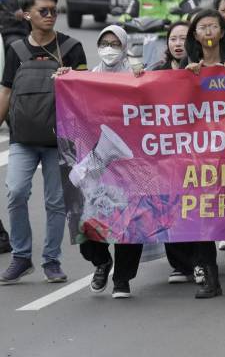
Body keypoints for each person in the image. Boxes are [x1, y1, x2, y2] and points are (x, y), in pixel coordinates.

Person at [0, 0, 87, 284]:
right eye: (43, 11)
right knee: (15, 193)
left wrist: (72, 80)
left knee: (55, 202)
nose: (50, 16)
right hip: (22, 138)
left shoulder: (72, 47)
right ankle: (22, 257)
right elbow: (6, 91)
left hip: (59, 140)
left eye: (54, 11)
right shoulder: (15, 50)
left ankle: (51, 261)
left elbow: (89, 92)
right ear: (27, 15)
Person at [181, 9, 225, 299]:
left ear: (222, 32)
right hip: (198, 152)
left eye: (213, 26)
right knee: (200, 211)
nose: (208, 32)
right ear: (194, 35)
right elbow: (168, 100)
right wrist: (186, 79)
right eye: (202, 27)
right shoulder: (188, 66)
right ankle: (210, 278)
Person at [83, 25, 144, 298]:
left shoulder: (135, 76)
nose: (109, 48)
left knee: (128, 224)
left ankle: (122, 279)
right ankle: (101, 262)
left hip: (131, 161)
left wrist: (141, 75)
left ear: (124, 45)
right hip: (96, 160)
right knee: (88, 223)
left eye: (115, 43)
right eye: (104, 42)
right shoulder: (87, 78)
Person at [146, 21, 197, 283]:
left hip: (198, 150)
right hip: (166, 150)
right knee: (169, 204)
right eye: (173, 39)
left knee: (195, 205)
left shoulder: (203, 69)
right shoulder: (157, 71)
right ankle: (179, 263)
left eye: (183, 38)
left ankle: (200, 261)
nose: (178, 44)